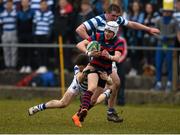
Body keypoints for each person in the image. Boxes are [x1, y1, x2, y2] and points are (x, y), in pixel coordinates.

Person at [75, 4, 160, 123]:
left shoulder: (116, 22)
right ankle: (90, 106)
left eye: (117, 16)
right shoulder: (98, 20)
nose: (116, 18)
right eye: (113, 16)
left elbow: (131, 24)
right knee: (104, 85)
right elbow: (79, 29)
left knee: (115, 83)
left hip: (108, 56)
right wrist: (93, 45)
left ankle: (97, 109)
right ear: (107, 13)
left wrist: (148, 29)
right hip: (97, 57)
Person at [72, 21, 126, 128]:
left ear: (114, 33)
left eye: (110, 32)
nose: (107, 33)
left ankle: (78, 115)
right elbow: (80, 44)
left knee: (94, 100)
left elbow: (117, 58)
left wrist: (109, 56)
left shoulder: (119, 42)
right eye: (106, 30)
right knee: (91, 87)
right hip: (94, 66)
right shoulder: (97, 36)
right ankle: (83, 109)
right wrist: (89, 53)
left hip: (105, 71)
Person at [28, 54, 112, 116]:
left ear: (85, 65)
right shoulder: (78, 68)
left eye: (80, 67)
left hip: (90, 89)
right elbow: (79, 79)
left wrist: (107, 78)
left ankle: (106, 94)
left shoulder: (97, 67)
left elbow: (110, 82)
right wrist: (85, 71)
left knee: (93, 102)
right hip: (78, 85)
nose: (79, 68)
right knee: (63, 103)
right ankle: (38, 107)